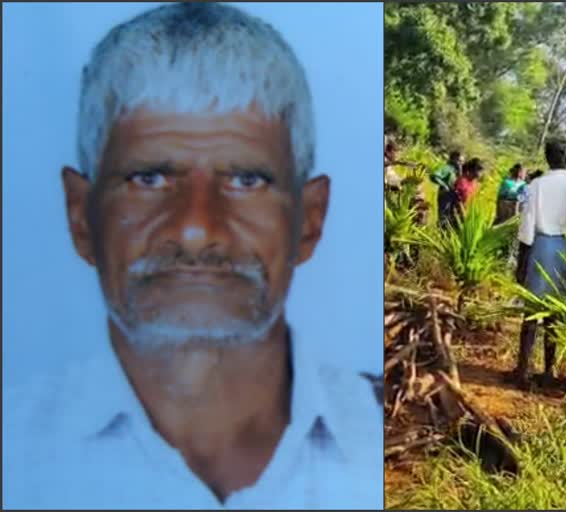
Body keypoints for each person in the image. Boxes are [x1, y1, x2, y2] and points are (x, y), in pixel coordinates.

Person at [3, 4, 381, 509]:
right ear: (80, 216)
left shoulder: (379, 438)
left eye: (247, 180)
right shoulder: (14, 453)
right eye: (149, 178)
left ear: (310, 220)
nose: (197, 229)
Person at [508, 139, 566, 388]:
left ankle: (523, 369)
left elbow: (527, 224)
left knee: (531, 312)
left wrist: (521, 262)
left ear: (547, 157)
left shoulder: (536, 185)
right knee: (555, 313)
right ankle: (549, 370)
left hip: (540, 247)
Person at [431, 150, 463, 226]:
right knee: (443, 215)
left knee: (450, 216)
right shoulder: (447, 168)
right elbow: (434, 175)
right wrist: (444, 185)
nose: (461, 163)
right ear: (454, 159)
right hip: (445, 194)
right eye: (460, 161)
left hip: (452, 195)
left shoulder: (455, 170)